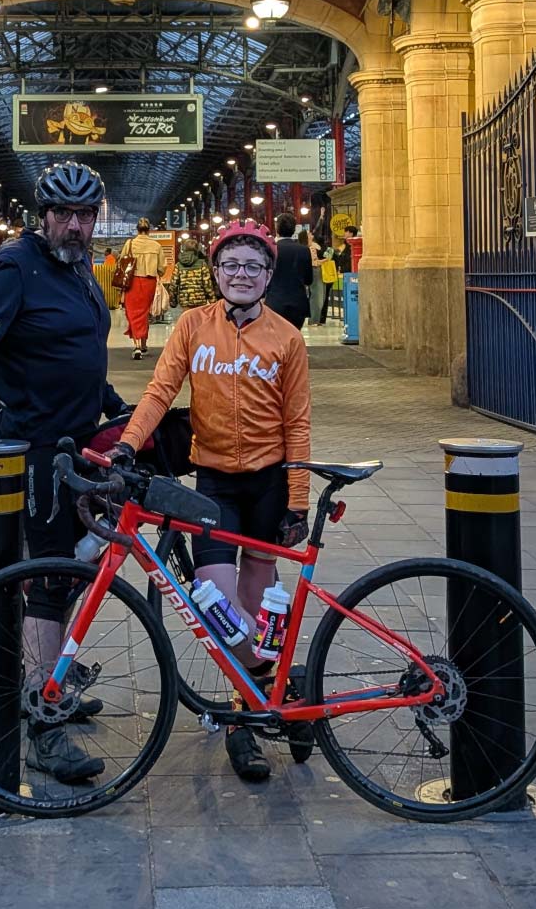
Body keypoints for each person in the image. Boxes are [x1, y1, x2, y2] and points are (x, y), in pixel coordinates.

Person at [110, 218, 312, 784]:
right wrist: (127, 443)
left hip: (270, 486)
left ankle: (243, 722)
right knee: (221, 610)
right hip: (216, 485)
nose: (241, 274)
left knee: (258, 610)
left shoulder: (287, 339)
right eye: (231, 265)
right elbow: (160, 391)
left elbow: (297, 423)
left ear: (268, 275)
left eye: (253, 265)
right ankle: (281, 686)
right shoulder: (193, 326)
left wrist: (298, 502)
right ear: (217, 272)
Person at [0, 161, 129, 786]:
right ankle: (43, 724)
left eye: (85, 215)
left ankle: (52, 674)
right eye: (64, 214)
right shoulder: (13, 267)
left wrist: (115, 407)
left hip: (76, 444)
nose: (75, 226)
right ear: (43, 215)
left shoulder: (79, 268)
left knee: (74, 569)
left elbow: (77, 356)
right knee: (51, 579)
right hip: (34, 449)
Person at [121, 217, 167, 359]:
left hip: (132, 282)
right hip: (149, 282)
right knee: (144, 312)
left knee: (133, 313)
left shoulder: (130, 244)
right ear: (149, 230)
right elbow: (162, 268)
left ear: (137, 229)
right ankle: (144, 343)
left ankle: (137, 346)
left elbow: (122, 262)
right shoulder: (156, 246)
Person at [264, 213, 313, 330]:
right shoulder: (304, 250)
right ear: (294, 229)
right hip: (298, 303)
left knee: (276, 337)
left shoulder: (269, 249)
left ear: (276, 228)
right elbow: (309, 280)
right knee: (294, 337)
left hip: (274, 302)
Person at [167, 237, 216, 310]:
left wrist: (173, 302)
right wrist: (213, 301)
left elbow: (173, 285)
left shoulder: (178, 265)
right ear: (197, 249)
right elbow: (207, 284)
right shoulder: (202, 264)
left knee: (187, 317)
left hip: (185, 301)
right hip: (200, 302)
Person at [298, 228, 325, 325]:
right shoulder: (310, 248)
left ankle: (314, 319)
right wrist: (326, 260)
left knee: (319, 295)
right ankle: (314, 320)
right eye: (309, 234)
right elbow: (314, 262)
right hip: (315, 270)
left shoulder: (310, 246)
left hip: (315, 270)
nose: (311, 235)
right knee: (317, 296)